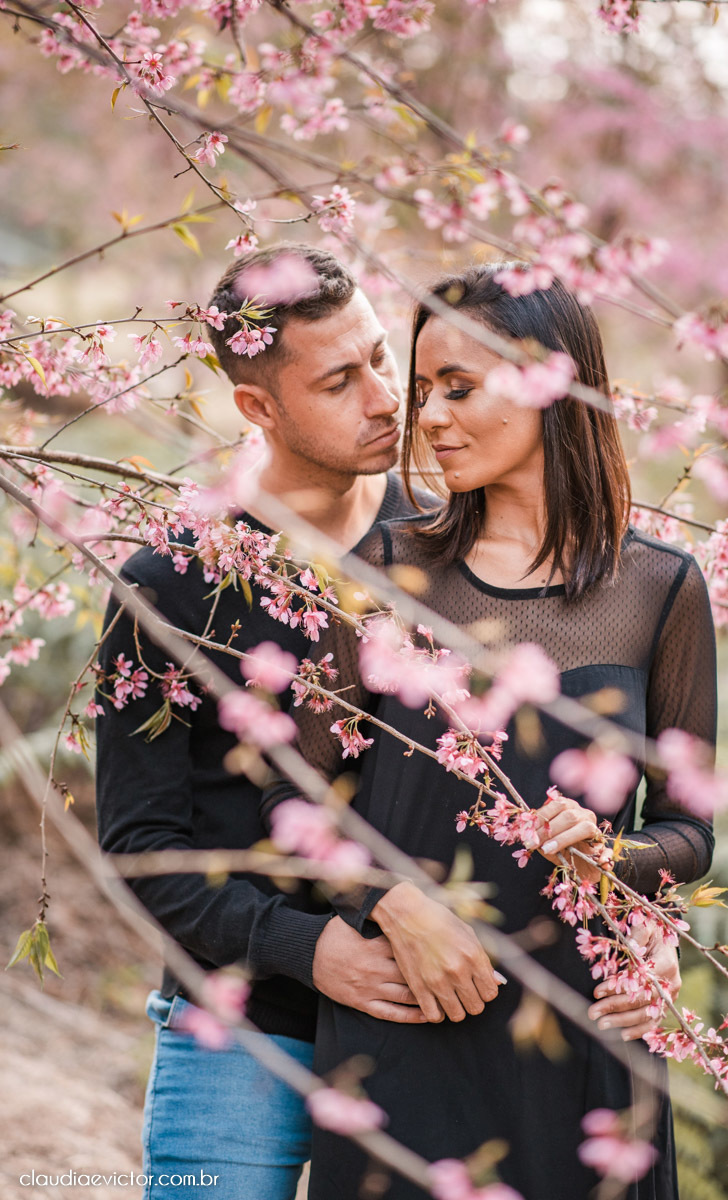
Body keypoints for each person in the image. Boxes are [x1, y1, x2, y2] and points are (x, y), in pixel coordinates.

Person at [263, 266, 715, 1199]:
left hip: (587, 1040)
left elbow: (689, 833)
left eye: (457, 388)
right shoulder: (386, 570)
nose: (426, 416)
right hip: (405, 1035)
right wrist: (382, 901)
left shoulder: (659, 589)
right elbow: (288, 789)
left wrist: (614, 856)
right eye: (424, 389)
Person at [95, 243, 437, 1200]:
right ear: (258, 407)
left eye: (380, 357)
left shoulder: (448, 546)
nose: (384, 398)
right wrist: (307, 948)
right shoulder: (169, 584)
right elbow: (139, 847)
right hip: (238, 1018)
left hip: (429, 1018)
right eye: (340, 380)